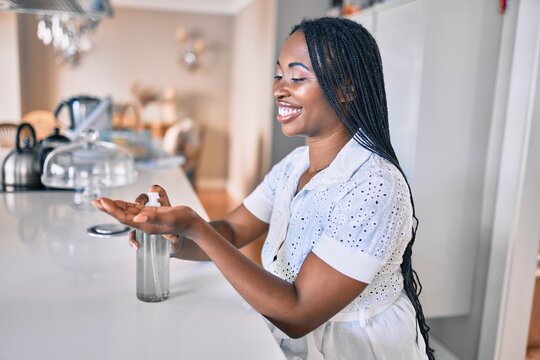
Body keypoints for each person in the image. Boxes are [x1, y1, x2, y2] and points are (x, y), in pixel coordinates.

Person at [92, 17, 435, 360]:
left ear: (346, 89)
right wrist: (172, 233)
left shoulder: (375, 186)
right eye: (278, 75)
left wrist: (193, 225)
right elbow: (231, 230)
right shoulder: (294, 166)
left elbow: (299, 312)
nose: (279, 89)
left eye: (297, 77)